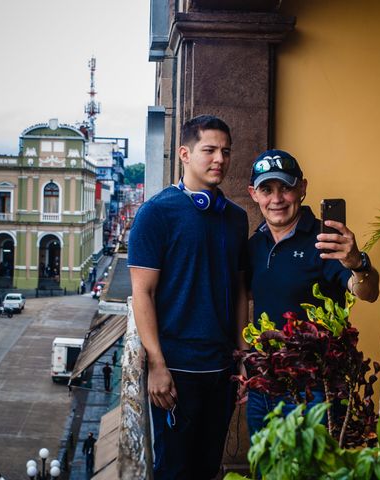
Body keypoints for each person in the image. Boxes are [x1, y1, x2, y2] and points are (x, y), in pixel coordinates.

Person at [128, 115, 249, 479]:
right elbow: (142, 293)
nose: (220, 160)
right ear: (184, 153)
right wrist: (157, 365)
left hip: (221, 371)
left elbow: (241, 290)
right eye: (209, 150)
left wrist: (242, 357)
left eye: (225, 151)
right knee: (174, 470)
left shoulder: (236, 218)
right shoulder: (155, 214)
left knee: (208, 467)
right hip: (176, 373)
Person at [245, 149, 380, 437]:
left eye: (286, 187)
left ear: (302, 188)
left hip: (317, 391)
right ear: (254, 194)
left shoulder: (325, 240)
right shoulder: (254, 245)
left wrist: (358, 263)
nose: (277, 199)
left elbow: (368, 291)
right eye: (267, 189)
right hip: (264, 388)